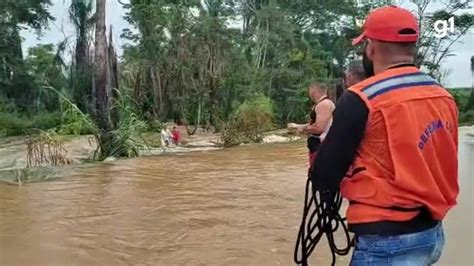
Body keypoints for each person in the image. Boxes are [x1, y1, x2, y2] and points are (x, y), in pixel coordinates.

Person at [305, 5, 459, 265]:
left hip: (386, 244)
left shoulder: (361, 98)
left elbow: (324, 176)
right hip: (431, 235)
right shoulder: (443, 96)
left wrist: (314, 148)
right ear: (412, 47)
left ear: (370, 47)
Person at [289, 82, 335, 168]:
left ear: (313, 91)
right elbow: (316, 124)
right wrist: (298, 126)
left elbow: (319, 128)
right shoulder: (323, 104)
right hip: (320, 147)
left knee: (319, 176)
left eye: (309, 90)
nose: (309, 94)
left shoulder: (323, 104)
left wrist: (303, 129)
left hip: (322, 148)